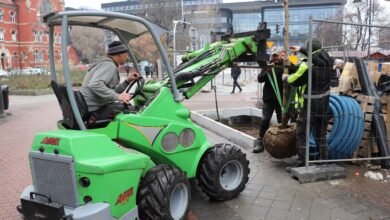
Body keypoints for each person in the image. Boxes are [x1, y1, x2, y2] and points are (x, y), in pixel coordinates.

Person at [283, 37, 333, 166]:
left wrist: (286, 78)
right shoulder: (328, 61)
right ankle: (324, 161)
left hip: (310, 106)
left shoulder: (308, 66)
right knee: (320, 134)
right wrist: (301, 49)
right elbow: (314, 55)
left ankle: (302, 163)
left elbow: (296, 81)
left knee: (302, 133)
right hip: (324, 104)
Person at [80, 41, 139, 121]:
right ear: (119, 55)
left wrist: (127, 81)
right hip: (94, 108)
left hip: (92, 105)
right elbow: (95, 84)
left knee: (127, 107)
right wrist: (118, 97)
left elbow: (111, 92)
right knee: (133, 110)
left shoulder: (106, 64)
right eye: (126, 55)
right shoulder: (109, 65)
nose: (127, 57)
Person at [253, 52, 284, 153]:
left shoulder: (285, 66)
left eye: (278, 55)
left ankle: (282, 143)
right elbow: (260, 79)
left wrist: (288, 62)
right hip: (269, 98)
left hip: (281, 99)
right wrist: (268, 71)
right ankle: (260, 141)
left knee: (282, 121)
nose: (275, 57)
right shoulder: (268, 66)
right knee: (265, 120)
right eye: (274, 56)